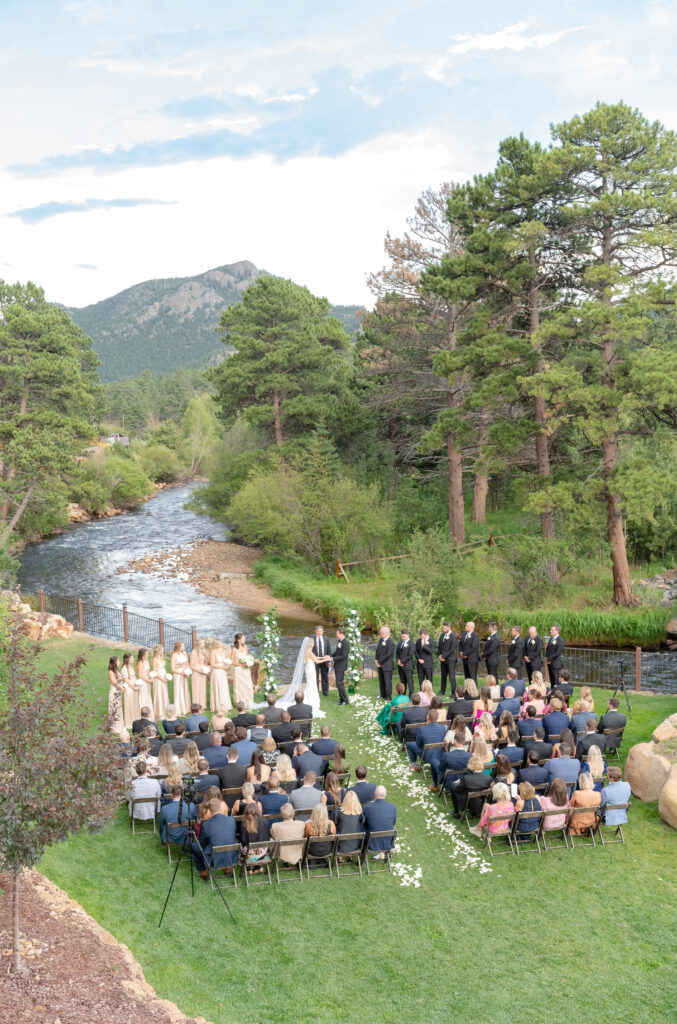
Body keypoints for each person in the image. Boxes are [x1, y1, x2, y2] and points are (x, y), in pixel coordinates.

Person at [276, 639, 327, 719]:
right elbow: (316, 661)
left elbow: (315, 657)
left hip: (308, 668)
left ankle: (309, 697)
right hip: (310, 669)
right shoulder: (309, 652)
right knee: (312, 684)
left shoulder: (306, 651)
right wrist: (326, 659)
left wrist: (323, 657)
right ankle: (311, 699)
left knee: (311, 684)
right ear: (311, 644)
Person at [191, 797, 238, 878]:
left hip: (214, 858)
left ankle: (203, 871)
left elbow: (201, 845)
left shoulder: (206, 825)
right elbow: (232, 836)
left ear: (209, 809)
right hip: (231, 856)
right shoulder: (231, 820)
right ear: (220, 807)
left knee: (194, 846)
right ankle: (228, 868)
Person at [361, 785, 396, 850]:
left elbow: (364, 824)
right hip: (388, 842)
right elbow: (393, 822)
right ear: (385, 795)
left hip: (372, 843)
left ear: (374, 795)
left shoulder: (366, 808)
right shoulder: (393, 807)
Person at [335, 790, 365, 856]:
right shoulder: (360, 813)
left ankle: (340, 857)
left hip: (341, 845)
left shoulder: (338, 811)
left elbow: (333, 822)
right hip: (356, 844)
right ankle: (350, 856)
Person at [209, 639, 232, 713]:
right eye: (220, 643)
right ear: (216, 644)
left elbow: (224, 660)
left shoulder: (222, 650)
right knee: (217, 687)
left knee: (223, 688)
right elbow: (212, 664)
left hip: (223, 672)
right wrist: (222, 667)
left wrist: (227, 664)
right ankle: (217, 706)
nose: (221, 644)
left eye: (221, 643)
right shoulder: (213, 652)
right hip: (217, 672)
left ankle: (225, 705)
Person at [121, 652, 141, 729]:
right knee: (130, 704)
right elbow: (126, 680)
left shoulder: (131, 667)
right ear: (128, 659)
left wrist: (137, 683)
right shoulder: (124, 668)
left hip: (134, 687)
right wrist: (133, 687)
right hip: (129, 689)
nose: (133, 659)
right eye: (132, 658)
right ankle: (130, 721)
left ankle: (135, 718)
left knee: (135, 704)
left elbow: (134, 677)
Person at [436, 621, 457, 696]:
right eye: (443, 627)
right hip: (442, 660)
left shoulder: (453, 636)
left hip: (450, 660)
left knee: (452, 677)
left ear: (449, 627)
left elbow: (452, 649)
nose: (443, 629)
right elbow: (439, 647)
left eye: (444, 628)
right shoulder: (442, 635)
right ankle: (442, 691)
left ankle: (453, 693)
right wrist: (439, 655)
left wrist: (443, 656)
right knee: (443, 676)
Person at [374, 625, 395, 701]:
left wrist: (379, 661)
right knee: (381, 680)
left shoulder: (391, 642)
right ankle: (382, 695)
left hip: (387, 665)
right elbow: (377, 651)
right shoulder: (380, 640)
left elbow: (388, 654)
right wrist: (376, 659)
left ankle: (388, 696)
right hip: (380, 665)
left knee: (387, 681)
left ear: (386, 633)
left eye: (381, 632)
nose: (380, 634)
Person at [311, 625, 332, 697]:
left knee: (325, 676)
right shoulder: (312, 639)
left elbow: (329, 650)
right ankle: (315, 692)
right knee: (315, 677)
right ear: (315, 631)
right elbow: (310, 651)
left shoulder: (326, 639)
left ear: (323, 632)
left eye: (320, 631)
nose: (319, 632)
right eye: (317, 631)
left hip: (324, 660)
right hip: (315, 660)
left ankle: (325, 692)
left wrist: (329, 661)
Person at [170, 641, 190, 716]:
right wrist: (182, 673)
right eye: (183, 646)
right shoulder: (174, 655)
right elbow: (172, 669)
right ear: (178, 647)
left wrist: (188, 671)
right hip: (178, 675)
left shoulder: (184, 653)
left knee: (185, 690)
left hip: (185, 674)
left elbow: (187, 663)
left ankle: (186, 708)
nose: (184, 647)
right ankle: (179, 710)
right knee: (179, 691)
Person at [332, 626, 350, 705]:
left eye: (337, 634)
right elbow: (336, 653)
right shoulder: (339, 642)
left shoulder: (345, 643)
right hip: (337, 665)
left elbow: (344, 656)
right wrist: (330, 656)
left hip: (341, 666)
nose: (336, 635)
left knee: (340, 683)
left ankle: (345, 700)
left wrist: (333, 659)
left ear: (342, 634)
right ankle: (341, 699)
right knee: (338, 683)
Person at [188, 638, 209, 709]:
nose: (204, 644)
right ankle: (196, 707)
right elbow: (191, 665)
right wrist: (200, 671)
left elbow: (205, 662)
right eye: (203, 643)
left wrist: (206, 669)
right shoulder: (193, 652)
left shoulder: (203, 651)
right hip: (196, 672)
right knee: (196, 689)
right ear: (199, 644)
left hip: (203, 671)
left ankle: (202, 705)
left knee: (202, 689)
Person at [107, 656, 126, 734]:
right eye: (118, 661)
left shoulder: (117, 671)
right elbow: (114, 683)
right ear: (114, 663)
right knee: (114, 708)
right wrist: (121, 688)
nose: (119, 662)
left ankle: (120, 724)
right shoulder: (111, 672)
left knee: (119, 707)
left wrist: (123, 686)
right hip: (114, 691)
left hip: (118, 691)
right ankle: (114, 726)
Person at [151, 644, 170, 720]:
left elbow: (164, 668)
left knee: (164, 694)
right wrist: (161, 678)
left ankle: (165, 711)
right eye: (162, 650)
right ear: (159, 651)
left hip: (164, 677)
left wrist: (166, 676)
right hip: (158, 679)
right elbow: (155, 671)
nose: (163, 651)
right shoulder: (154, 659)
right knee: (159, 694)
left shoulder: (162, 658)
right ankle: (159, 713)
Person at [396, 628, 415, 697]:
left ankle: (411, 696)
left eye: (403, 636)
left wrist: (402, 661)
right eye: (401, 636)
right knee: (402, 682)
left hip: (407, 666)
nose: (402, 638)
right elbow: (397, 653)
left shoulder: (411, 644)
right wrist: (398, 660)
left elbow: (410, 655)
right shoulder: (400, 643)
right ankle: (403, 695)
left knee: (410, 682)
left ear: (408, 635)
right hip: (400, 666)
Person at [135, 648, 154, 714]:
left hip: (147, 681)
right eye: (146, 654)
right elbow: (140, 675)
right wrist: (149, 680)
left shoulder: (146, 661)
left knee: (148, 696)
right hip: (143, 682)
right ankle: (144, 713)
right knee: (144, 697)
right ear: (143, 655)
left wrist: (150, 676)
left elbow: (148, 671)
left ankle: (149, 712)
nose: (148, 655)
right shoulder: (140, 663)